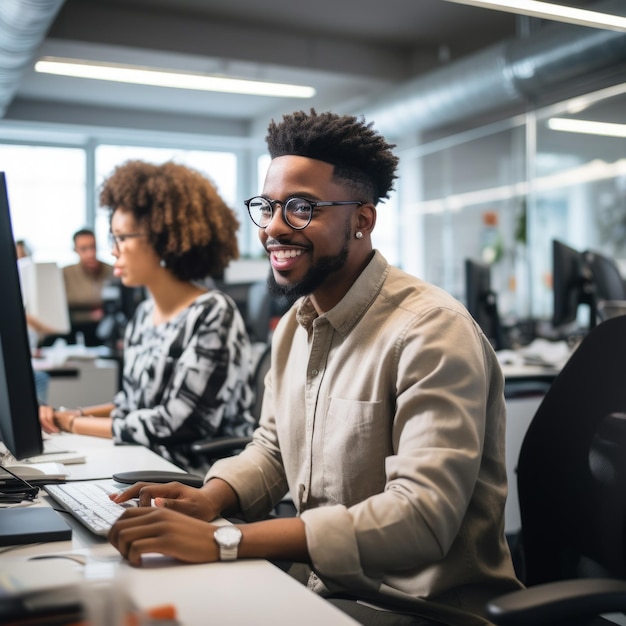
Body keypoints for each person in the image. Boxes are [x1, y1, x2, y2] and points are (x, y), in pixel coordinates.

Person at [108, 111, 523, 625]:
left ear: (362, 220)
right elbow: (273, 448)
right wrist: (207, 499)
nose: (275, 228)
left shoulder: (431, 331)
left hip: (422, 609)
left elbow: (421, 517)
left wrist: (228, 539)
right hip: (325, 590)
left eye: (302, 207)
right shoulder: (295, 328)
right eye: (268, 207)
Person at [40, 160, 256, 473]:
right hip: (142, 463)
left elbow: (174, 423)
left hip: (197, 479)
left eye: (122, 237)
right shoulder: (143, 315)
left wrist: (72, 422)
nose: (113, 251)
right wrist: (67, 415)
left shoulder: (213, 314)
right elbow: (130, 405)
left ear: (164, 239)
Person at [62, 228, 114, 346]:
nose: (90, 253)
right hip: (74, 331)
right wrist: (88, 315)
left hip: (105, 331)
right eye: (84, 249)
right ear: (75, 250)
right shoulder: (66, 273)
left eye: (93, 247)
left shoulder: (111, 271)